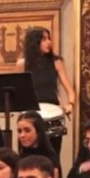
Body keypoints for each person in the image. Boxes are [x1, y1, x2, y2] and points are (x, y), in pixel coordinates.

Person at [16, 27, 76, 155]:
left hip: (52, 111)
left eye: (49, 39)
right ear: (35, 42)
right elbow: (19, 91)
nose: (48, 42)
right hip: (31, 113)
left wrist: (70, 104)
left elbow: (70, 90)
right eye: (44, 39)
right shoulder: (22, 64)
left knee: (52, 154)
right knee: (28, 154)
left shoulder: (56, 62)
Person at [17, 111, 62, 178]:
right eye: (19, 131)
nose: (22, 135)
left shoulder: (50, 158)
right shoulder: (19, 159)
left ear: (38, 131)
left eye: (27, 130)